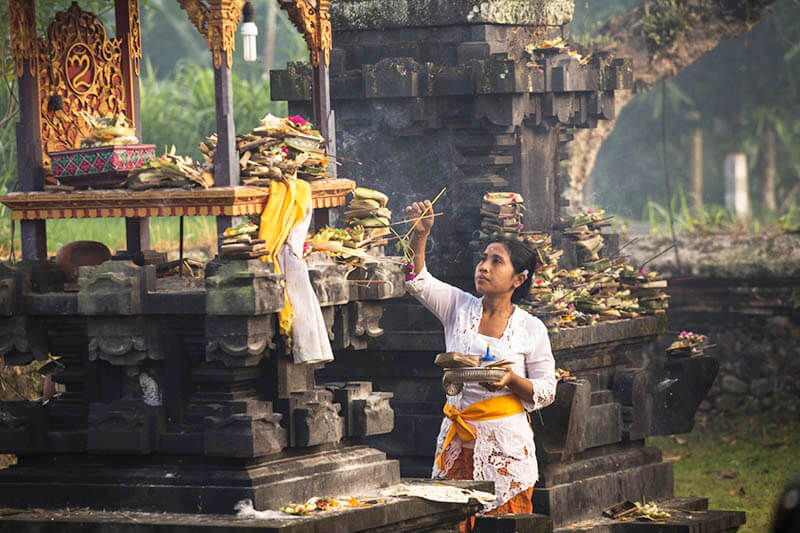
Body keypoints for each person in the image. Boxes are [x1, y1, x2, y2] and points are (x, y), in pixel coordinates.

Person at [404, 200, 557, 527]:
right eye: (483, 259)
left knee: (502, 524)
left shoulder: (531, 327)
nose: (483, 267)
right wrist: (420, 236)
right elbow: (417, 280)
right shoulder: (458, 307)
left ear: (518, 279)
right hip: (458, 439)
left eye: (496, 262)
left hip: (505, 445)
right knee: (454, 523)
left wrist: (511, 380)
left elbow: (547, 389)